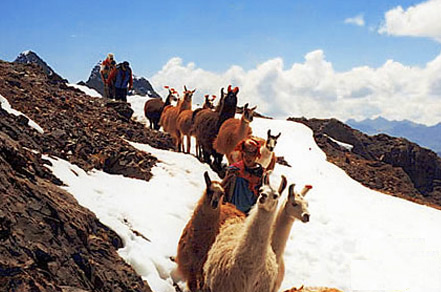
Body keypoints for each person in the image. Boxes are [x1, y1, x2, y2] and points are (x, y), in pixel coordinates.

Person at [222, 137, 265, 214]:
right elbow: (224, 188)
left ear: (256, 156)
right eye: (245, 155)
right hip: (231, 211)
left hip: (250, 214)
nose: (248, 158)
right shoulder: (234, 170)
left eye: (251, 155)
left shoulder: (261, 174)